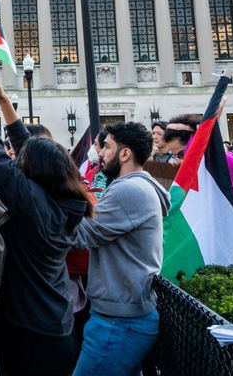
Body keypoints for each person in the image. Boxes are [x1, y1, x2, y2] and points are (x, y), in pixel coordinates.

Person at [0, 67, 91, 375]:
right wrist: (4, 101)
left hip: (28, 330)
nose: (16, 161)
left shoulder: (33, 206)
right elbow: (28, 148)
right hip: (56, 325)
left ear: (34, 171)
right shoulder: (66, 200)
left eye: (21, 162)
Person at [70, 122, 169, 376]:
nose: (101, 152)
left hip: (119, 322)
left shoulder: (128, 190)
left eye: (107, 146)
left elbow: (82, 235)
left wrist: (58, 191)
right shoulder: (134, 187)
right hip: (120, 316)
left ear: (125, 154)